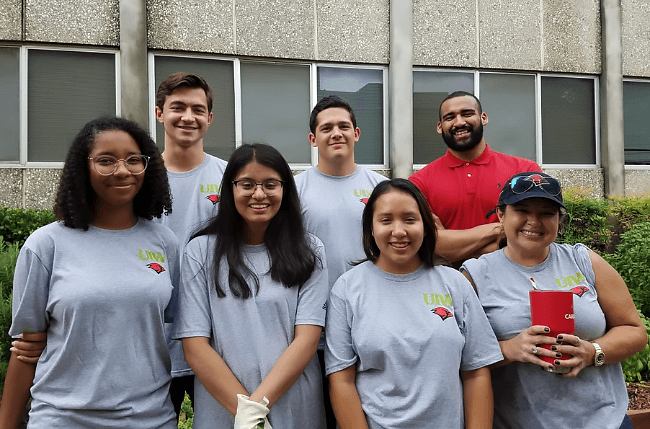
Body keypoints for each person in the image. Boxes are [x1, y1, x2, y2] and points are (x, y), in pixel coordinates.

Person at [0, 117, 178, 428]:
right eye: (106, 161)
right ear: (83, 167)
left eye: (133, 160)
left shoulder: (164, 243)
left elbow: (179, 332)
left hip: (150, 419)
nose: (122, 170)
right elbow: (27, 349)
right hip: (62, 418)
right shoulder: (46, 244)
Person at [461, 172, 646, 429]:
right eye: (522, 210)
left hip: (603, 421)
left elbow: (634, 331)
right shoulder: (476, 274)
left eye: (547, 213)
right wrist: (510, 349)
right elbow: (461, 357)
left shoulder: (584, 261)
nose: (533, 221)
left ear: (559, 219)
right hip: (519, 422)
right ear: (501, 215)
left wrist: (592, 352)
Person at [325, 178, 502, 429]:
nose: (399, 231)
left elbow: (476, 371)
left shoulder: (455, 283)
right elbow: (341, 380)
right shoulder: (347, 289)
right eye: (386, 220)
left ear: (426, 226)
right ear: (371, 228)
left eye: (410, 219)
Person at [173, 143, 328, 428]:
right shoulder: (201, 252)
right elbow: (195, 344)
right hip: (224, 409)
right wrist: (245, 414)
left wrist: (255, 410)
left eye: (270, 184)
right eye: (247, 184)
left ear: (285, 189)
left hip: (294, 405)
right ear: (230, 189)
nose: (259, 194)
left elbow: (307, 339)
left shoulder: (310, 250)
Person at [295, 95, 387, 428]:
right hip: (312, 328)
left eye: (343, 126)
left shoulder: (380, 187)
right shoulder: (294, 190)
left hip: (371, 322)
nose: (336, 133)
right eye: (327, 128)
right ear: (312, 138)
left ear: (357, 133)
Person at [154, 72, 228, 417]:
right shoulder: (138, 178)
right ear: (159, 113)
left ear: (209, 118)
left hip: (217, 341)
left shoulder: (231, 179)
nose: (188, 117)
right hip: (154, 342)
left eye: (198, 109)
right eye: (177, 107)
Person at [409, 91, 541, 264]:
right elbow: (432, 246)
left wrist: (454, 246)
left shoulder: (526, 171)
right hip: (450, 285)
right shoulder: (418, 183)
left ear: (483, 118)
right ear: (440, 127)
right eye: (450, 117)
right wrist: (500, 230)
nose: (459, 122)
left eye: (467, 114)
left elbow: (532, 237)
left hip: (513, 281)